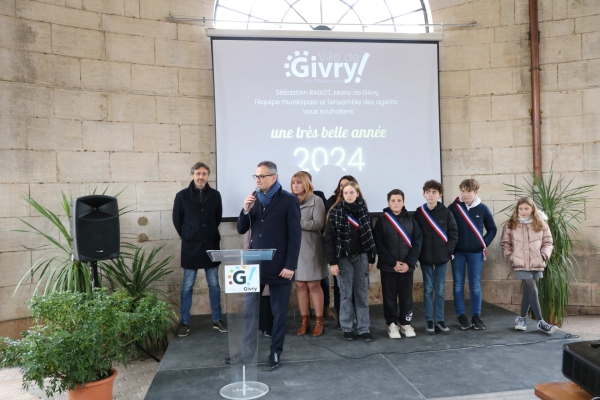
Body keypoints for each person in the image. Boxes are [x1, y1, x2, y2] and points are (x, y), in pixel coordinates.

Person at [236, 161, 302, 370]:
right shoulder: (253, 200)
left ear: (274, 177)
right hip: (253, 265)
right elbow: (241, 229)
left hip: (280, 266)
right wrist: (245, 210)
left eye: (262, 176)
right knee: (249, 312)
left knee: (279, 312)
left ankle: (275, 352)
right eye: (256, 176)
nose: (257, 180)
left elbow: (295, 236)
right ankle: (246, 353)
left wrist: (291, 265)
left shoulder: (289, 200)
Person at [172, 162, 227, 337]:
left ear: (208, 176)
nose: (201, 177)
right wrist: (188, 235)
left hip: (211, 245)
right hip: (190, 246)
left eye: (204, 174)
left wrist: (207, 233)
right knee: (187, 285)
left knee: (214, 284)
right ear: (192, 175)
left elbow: (217, 218)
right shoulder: (182, 196)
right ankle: (185, 322)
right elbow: (177, 220)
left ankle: (217, 319)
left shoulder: (215, 195)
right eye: (197, 174)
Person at [325, 181, 377, 341]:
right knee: (346, 294)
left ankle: (363, 328)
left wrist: (370, 258)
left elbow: (370, 237)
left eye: (352, 192)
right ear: (342, 195)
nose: (349, 195)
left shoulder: (364, 211)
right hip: (343, 258)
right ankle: (347, 327)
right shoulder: (335, 212)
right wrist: (332, 262)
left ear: (358, 194)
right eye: (346, 192)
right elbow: (329, 240)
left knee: (361, 293)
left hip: (361, 257)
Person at [500, 196, 557, 334]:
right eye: (520, 208)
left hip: (536, 262)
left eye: (526, 208)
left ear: (532, 209)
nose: (523, 211)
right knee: (532, 289)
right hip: (519, 262)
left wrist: (544, 255)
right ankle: (541, 322)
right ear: (517, 209)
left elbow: (548, 242)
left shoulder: (541, 224)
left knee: (527, 291)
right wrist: (510, 256)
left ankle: (522, 318)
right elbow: (505, 243)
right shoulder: (511, 224)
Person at [448, 179, 497, 330]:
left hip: (476, 253)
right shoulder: (453, 208)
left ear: (476, 192)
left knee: (475, 285)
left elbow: (492, 229)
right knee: (458, 284)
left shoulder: (483, 208)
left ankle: (476, 316)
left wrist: (483, 243)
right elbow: (447, 229)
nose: (465, 194)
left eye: (468, 191)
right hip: (458, 253)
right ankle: (461, 315)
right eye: (462, 190)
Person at [373, 189, 422, 339]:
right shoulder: (382, 221)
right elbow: (379, 244)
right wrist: (393, 263)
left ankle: (405, 323)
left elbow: (418, 242)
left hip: (407, 267)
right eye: (393, 201)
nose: (396, 203)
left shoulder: (411, 220)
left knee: (406, 296)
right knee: (389, 296)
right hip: (389, 267)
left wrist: (409, 263)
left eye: (399, 200)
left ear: (404, 202)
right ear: (388, 202)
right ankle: (392, 324)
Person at [413, 180, 458, 335]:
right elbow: (415, 236)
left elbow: (453, 234)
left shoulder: (446, 212)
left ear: (440, 195)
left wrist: (447, 251)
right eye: (428, 192)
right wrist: (417, 255)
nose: (431, 195)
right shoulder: (419, 213)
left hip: (441, 257)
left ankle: (439, 319)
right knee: (427, 290)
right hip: (425, 257)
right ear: (423, 194)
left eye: (434, 192)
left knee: (439, 290)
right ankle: (429, 320)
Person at [290, 172, 328, 337]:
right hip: (295, 249)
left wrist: (296, 222)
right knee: (300, 285)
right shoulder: (289, 201)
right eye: (293, 183)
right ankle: (304, 320)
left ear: (306, 184)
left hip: (312, 248)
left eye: (299, 182)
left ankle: (319, 320)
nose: (295, 186)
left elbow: (319, 224)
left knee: (313, 285)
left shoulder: (316, 200)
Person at [325, 175, 358, 327]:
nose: (344, 188)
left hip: (357, 254)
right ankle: (342, 318)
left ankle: (356, 318)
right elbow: (328, 232)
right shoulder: (332, 203)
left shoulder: (360, 205)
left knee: (356, 289)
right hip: (339, 254)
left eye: (348, 186)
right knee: (341, 289)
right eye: (341, 185)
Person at [304, 172, 335, 321]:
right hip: (300, 245)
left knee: (321, 278)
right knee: (302, 284)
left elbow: (322, 219)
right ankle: (306, 314)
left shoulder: (318, 196)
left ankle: (325, 308)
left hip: (316, 242)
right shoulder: (292, 199)